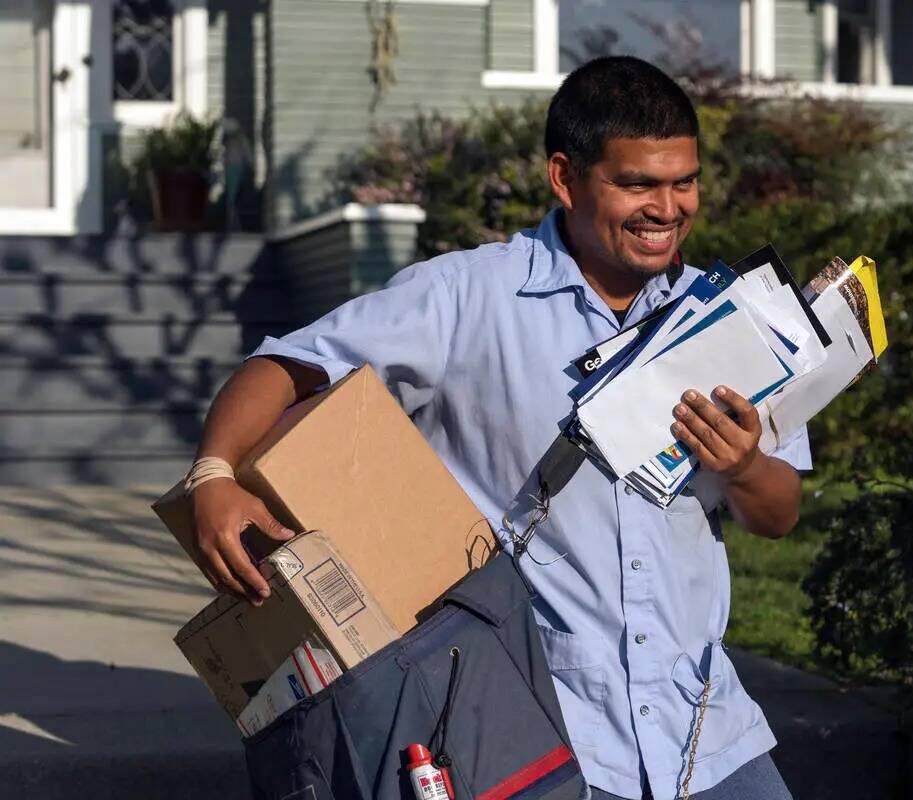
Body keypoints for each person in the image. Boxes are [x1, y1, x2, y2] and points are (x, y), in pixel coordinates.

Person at [191, 56, 808, 800]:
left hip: (708, 734)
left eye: (684, 182)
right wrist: (215, 475)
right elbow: (288, 363)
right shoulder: (467, 295)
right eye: (638, 184)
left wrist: (743, 466)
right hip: (536, 736)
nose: (667, 208)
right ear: (565, 177)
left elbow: (777, 514)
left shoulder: (725, 320)